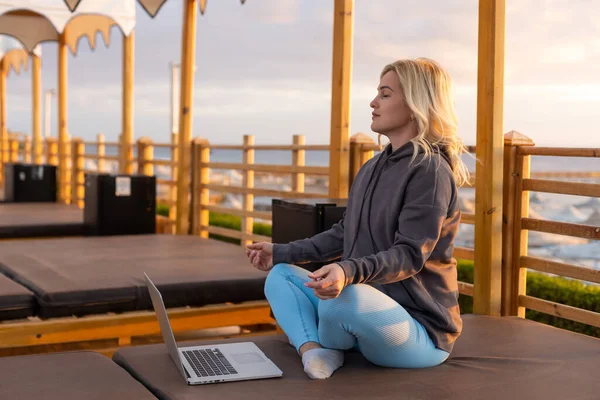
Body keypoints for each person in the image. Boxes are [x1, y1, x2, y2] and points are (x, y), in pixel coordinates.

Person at [246, 58, 470, 380]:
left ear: (414, 105)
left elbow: (409, 254)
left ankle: (325, 338)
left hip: (417, 330)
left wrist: (346, 271)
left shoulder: (430, 171)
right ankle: (315, 350)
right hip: (368, 307)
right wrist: (280, 252)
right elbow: (343, 234)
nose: (373, 102)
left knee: (342, 298)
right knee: (280, 277)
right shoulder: (372, 167)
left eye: (385, 94)